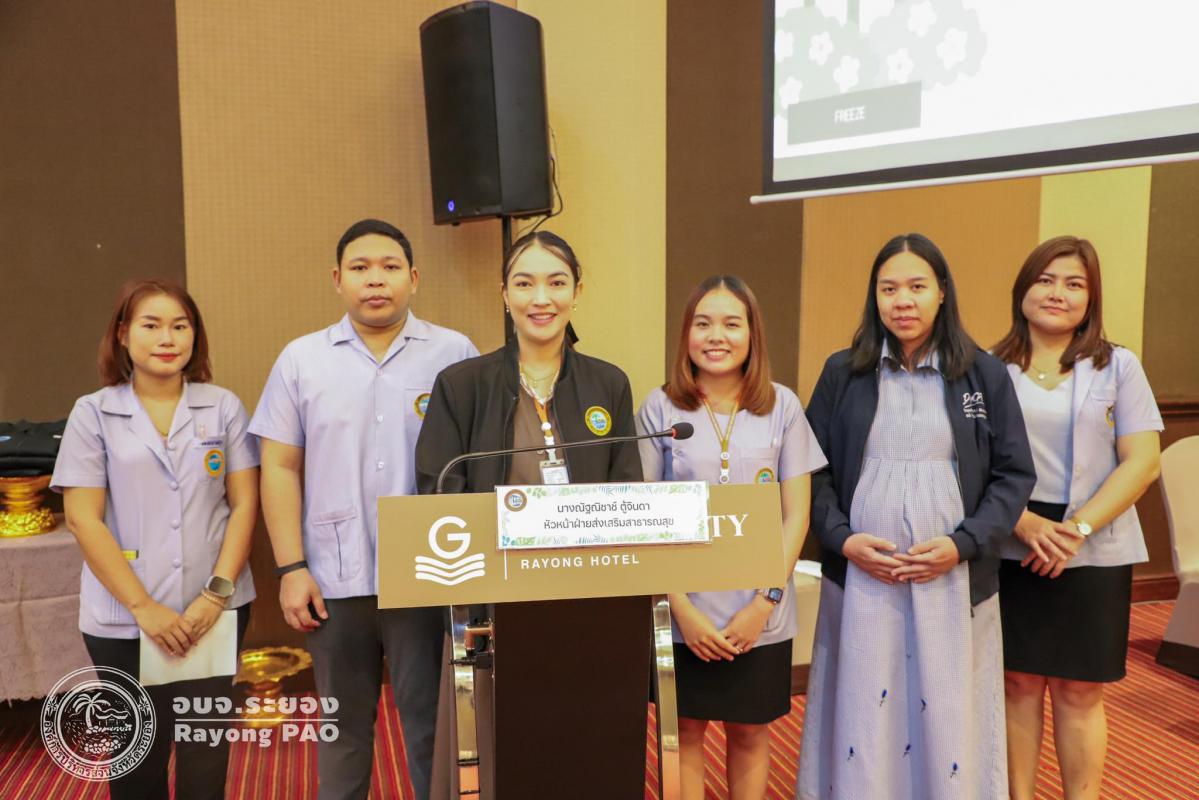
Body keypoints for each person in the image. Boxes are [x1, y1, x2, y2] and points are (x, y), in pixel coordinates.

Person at [796, 233, 1035, 800]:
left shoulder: (984, 374)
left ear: (942, 292)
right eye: (889, 289)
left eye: (917, 287)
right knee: (863, 705)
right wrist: (843, 539)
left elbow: (1013, 476)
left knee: (949, 707)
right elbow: (811, 471)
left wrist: (963, 544)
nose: (902, 300)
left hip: (952, 576)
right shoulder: (842, 372)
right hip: (862, 576)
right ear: (874, 296)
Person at [414, 230, 649, 799]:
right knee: (501, 757)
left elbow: (626, 492)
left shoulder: (608, 382)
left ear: (577, 291)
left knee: (581, 748)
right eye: (524, 283)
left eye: (556, 282)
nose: (540, 298)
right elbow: (438, 493)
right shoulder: (462, 385)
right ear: (504, 294)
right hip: (493, 608)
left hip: (588, 606)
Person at [250, 219, 478, 800]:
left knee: (434, 730)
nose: (376, 280)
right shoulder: (301, 360)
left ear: (414, 277)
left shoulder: (454, 354)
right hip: (332, 578)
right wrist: (291, 568)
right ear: (337, 279)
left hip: (429, 576)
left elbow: (477, 462)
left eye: (390, 267)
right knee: (343, 732)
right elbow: (279, 467)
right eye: (360, 268)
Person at [52, 279, 257, 799]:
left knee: (204, 748)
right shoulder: (93, 412)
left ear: (195, 336)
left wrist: (216, 595)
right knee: (137, 755)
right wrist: (143, 607)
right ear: (123, 334)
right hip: (124, 618)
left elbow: (244, 505)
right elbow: (83, 519)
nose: (167, 338)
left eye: (180, 326)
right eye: (151, 325)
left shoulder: (223, 407)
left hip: (213, 609)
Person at [636, 275, 825, 800]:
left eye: (731, 324)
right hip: (684, 612)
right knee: (685, 732)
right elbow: (644, 517)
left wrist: (765, 603)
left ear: (752, 334)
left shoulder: (782, 406)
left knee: (750, 731)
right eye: (703, 324)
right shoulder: (659, 408)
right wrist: (680, 609)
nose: (716, 336)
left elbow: (797, 515)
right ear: (686, 334)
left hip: (760, 610)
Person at [993, 236, 1163, 800]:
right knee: (1016, 683)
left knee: (1080, 689)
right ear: (1023, 290)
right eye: (1045, 280)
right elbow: (969, 463)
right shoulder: (989, 368)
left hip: (1093, 542)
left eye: (1073, 284)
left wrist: (1077, 531)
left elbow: (1142, 461)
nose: (1056, 293)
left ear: (1091, 298)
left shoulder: (1119, 366)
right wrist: (1021, 522)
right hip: (1011, 538)